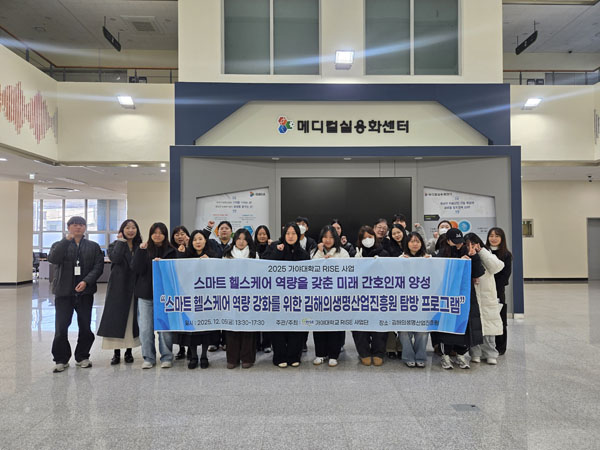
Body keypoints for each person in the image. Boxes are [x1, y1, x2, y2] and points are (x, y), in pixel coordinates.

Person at [48, 216, 104, 373]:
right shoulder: (58, 244)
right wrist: (66, 241)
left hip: (85, 293)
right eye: (74, 225)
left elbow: (98, 267)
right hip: (63, 292)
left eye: (81, 225)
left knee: (85, 326)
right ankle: (61, 359)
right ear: (68, 227)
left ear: (85, 228)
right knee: (61, 327)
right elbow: (53, 259)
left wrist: (86, 281)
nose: (77, 227)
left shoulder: (93, 246)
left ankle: (82, 356)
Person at [433, 228, 485, 370]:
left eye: (460, 241)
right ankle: (445, 355)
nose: (458, 244)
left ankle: (461, 354)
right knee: (446, 325)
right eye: (455, 242)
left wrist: (474, 257)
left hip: (465, 294)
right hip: (447, 295)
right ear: (448, 241)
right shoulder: (442, 253)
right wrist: (457, 262)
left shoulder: (468, 250)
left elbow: (478, 272)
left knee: (465, 324)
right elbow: (438, 273)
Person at [262, 223, 310, 368]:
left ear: (298, 235)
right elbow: (263, 266)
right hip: (277, 296)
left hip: (296, 297)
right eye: (288, 233)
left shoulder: (303, 253)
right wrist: (278, 252)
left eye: (293, 233)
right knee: (278, 326)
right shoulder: (274, 247)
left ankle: (294, 356)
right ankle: (279, 356)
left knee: (296, 327)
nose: (290, 236)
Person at [97, 219, 142, 365]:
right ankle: (116, 353)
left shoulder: (140, 246)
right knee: (116, 319)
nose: (131, 230)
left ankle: (129, 352)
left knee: (131, 320)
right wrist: (121, 242)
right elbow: (115, 258)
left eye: (133, 227)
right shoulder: (114, 245)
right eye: (127, 227)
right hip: (118, 287)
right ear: (122, 230)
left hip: (135, 287)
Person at [132, 222, 176, 369]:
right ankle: (148, 357)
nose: (157, 235)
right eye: (154, 232)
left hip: (165, 296)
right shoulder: (143, 249)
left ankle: (167, 357)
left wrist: (164, 264)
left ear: (165, 235)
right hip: (145, 295)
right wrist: (140, 251)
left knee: (165, 329)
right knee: (145, 329)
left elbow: (176, 272)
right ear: (150, 234)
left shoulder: (171, 250)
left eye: (161, 233)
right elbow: (136, 268)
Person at [176, 229, 215, 369]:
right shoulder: (186, 256)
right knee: (191, 330)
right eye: (195, 239)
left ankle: (204, 356)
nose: (198, 242)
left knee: (205, 328)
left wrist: (209, 262)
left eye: (200, 239)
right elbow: (178, 270)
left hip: (206, 298)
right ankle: (193, 356)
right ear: (191, 242)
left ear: (205, 241)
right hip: (190, 297)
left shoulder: (212, 256)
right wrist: (180, 254)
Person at [311, 225, 349, 367]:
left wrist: (333, 261)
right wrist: (321, 254)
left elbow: (348, 271)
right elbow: (311, 270)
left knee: (335, 326)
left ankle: (334, 355)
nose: (327, 240)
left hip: (337, 296)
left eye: (331, 237)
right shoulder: (315, 251)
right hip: (319, 296)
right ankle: (320, 354)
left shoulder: (343, 253)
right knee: (319, 326)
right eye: (325, 237)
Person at [464, 233, 504, 365]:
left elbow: (497, 267)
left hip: (487, 296)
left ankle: (491, 353)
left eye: (474, 244)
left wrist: (481, 251)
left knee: (489, 326)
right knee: (474, 325)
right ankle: (475, 353)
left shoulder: (487, 254)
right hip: (473, 295)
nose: (471, 247)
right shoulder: (465, 256)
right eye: (468, 244)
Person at [353, 225, 389, 366]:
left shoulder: (384, 253)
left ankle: (379, 352)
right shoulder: (355, 253)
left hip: (379, 296)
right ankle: (363, 352)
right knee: (359, 324)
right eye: (364, 238)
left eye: (370, 237)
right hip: (359, 296)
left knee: (379, 324)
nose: (367, 240)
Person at [223, 229, 259, 369]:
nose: (241, 242)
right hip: (231, 296)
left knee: (248, 326)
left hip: (249, 296)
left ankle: (247, 358)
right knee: (232, 327)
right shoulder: (227, 254)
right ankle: (232, 358)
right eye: (238, 238)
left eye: (244, 239)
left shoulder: (254, 255)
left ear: (248, 241)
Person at [399, 232, 431, 368]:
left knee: (422, 331)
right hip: (404, 301)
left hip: (423, 301)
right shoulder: (400, 258)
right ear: (407, 243)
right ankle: (408, 356)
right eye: (412, 241)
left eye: (417, 241)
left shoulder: (429, 258)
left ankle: (420, 356)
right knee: (404, 331)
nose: (415, 244)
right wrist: (401, 263)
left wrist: (430, 263)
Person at [207, 220, 233, 350]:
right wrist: (209, 228)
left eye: (227, 228)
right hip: (215, 284)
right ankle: (214, 341)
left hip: (230, 285)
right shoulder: (212, 244)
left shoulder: (234, 246)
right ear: (218, 232)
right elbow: (201, 237)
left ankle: (227, 341)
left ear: (231, 232)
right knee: (215, 312)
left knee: (228, 312)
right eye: (221, 228)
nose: (224, 230)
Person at [486, 227, 512, 355]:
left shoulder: (506, 255)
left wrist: (493, 286)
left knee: (500, 318)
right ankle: (486, 347)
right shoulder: (484, 252)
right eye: (491, 236)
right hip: (485, 291)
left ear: (502, 238)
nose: (494, 238)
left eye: (497, 236)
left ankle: (500, 347)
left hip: (498, 291)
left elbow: (505, 275)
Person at [170, 225, 191, 360]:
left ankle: (190, 348)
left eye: (182, 234)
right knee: (178, 321)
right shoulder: (170, 250)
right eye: (177, 234)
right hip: (175, 290)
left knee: (188, 319)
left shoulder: (192, 248)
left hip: (189, 289)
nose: (180, 237)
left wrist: (187, 248)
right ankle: (181, 348)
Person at [254, 225, 273, 352]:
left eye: (264, 234)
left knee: (267, 316)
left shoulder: (272, 247)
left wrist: (271, 247)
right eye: (259, 234)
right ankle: (256, 344)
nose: (262, 236)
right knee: (256, 317)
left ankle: (267, 344)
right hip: (254, 287)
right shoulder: (252, 248)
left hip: (268, 287)